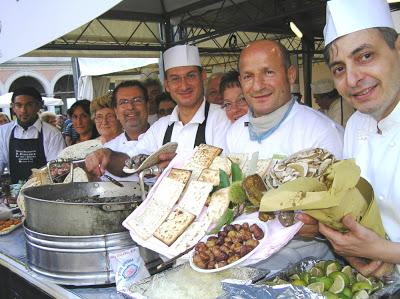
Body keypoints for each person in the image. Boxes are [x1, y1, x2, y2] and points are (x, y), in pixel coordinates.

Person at [226, 39, 344, 271]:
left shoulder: (320, 132)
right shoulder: (234, 132)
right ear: (241, 82)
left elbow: (342, 215)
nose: (258, 86)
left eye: (268, 72)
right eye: (248, 76)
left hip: (305, 265)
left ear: (290, 75)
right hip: (242, 257)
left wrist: (318, 226)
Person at [318, 0, 400, 277]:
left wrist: (381, 250)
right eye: (339, 68)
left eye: (365, 56)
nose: (352, 79)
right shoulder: (355, 125)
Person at [85, 44, 230, 178]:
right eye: (175, 79)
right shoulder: (161, 127)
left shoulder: (223, 118)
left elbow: (230, 169)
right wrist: (108, 155)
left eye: (191, 75)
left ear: (203, 76)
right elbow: (130, 163)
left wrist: (181, 164)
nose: (184, 85)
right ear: (166, 85)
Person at [0, 87, 65, 183]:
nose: (23, 110)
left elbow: (56, 169)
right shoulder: (3, 132)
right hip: (15, 192)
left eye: (29, 105)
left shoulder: (52, 134)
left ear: (39, 105)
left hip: (45, 191)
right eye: (18, 105)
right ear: (13, 107)